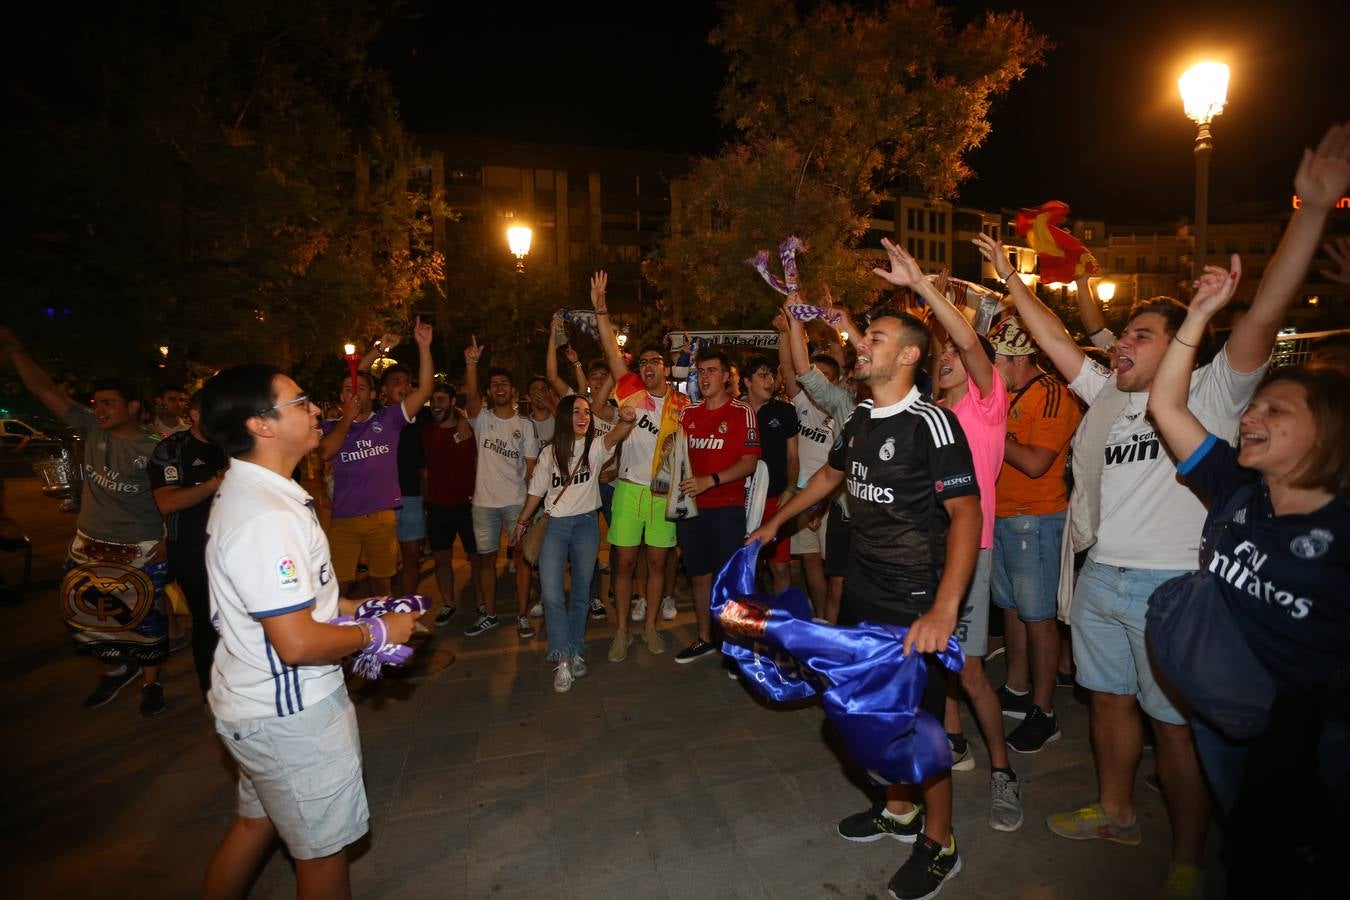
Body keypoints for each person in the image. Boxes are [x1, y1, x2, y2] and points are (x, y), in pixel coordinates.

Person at [971, 121, 1348, 898]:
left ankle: (1186, 855)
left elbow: (1264, 317)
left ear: (1180, 344)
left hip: (1173, 590)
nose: (1122, 346)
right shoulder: (1105, 394)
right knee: (1107, 705)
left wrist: (1309, 212)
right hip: (1103, 577)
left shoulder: (1212, 392)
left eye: (1140, 335)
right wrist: (1013, 279)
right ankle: (1115, 810)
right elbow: (1054, 338)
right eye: (1126, 335)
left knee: (1176, 727)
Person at [749, 308, 980, 900]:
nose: (861, 346)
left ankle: (940, 842)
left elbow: (966, 513)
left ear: (908, 356)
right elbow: (829, 478)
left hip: (916, 599)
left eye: (875, 338)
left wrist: (945, 608)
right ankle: (897, 810)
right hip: (865, 590)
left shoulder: (934, 424)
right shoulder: (859, 419)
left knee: (916, 722)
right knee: (863, 710)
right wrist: (772, 524)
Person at [1146, 256, 1349, 894]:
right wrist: (1200, 316)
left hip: (1319, 744)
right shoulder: (1234, 488)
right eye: (1252, 406)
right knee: (1253, 853)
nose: (1251, 418)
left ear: (1330, 434)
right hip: (1225, 722)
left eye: (1277, 409)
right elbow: (1166, 403)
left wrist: (1315, 207)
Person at [198, 364, 416, 900]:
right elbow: (296, 642)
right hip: (289, 718)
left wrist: (356, 607)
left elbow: (298, 607)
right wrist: (377, 634)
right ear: (261, 425)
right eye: (300, 402)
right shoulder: (266, 516)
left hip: (255, 706)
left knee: (255, 826)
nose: (318, 410)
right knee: (321, 858)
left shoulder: (267, 496)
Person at [874, 241, 1023, 833]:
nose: (946, 360)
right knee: (923, 667)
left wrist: (923, 288)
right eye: (939, 357)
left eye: (957, 356)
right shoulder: (927, 414)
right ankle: (942, 751)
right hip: (920, 555)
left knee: (967, 671)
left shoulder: (988, 406)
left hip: (972, 551)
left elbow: (963, 339)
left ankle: (1003, 771)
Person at [0, 327, 171, 715]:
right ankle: (115, 669)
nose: (101, 410)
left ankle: (151, 682)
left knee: (144, 620)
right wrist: (16, 349)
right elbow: (47, 392)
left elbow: (173, 501)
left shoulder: (157, 449)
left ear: (133, 407)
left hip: (140, 550)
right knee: (82, 617)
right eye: (97, 403)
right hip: (88, 545)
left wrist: (168, 539)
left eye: (110, 403)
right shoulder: (92, 427)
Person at [986, 316, 1082, 751]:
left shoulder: (1051, 395)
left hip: (1037, 518)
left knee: (1039, 616)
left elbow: (1036, 462)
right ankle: (1018, 688)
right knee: (1011, 608)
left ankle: (1044, 710)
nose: (991, 368)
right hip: (1004, 515)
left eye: (998, 360)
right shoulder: (1008, 393)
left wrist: (988, 431)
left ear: (1020, 358)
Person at [587, 271, 689, 660]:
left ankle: (649, 628)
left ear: (665, 368)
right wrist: (600, 309)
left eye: (655, 362)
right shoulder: (629, 391)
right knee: (625, 562)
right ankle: (622, 631)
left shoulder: (680, 407)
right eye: (642, 362)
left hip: (662, 494)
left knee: (658, 562)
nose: (648, 367)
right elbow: (612, 351)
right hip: (628, 489)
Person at [510, 396, 637, 691]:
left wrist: (627, 418)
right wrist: (521, 522)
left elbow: (617, 434)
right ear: (565, 417)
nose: (583, 417)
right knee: (552, 594)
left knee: (581, 593)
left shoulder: (593, 447)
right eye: (576, 412)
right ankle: (562, 656)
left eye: (587, 412)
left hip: (586, 527)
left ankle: (575, 650)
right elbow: (536, 492)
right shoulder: (549, 454)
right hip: (555, 527)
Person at [318, 319, 434, 600]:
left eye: (358, 388)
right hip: (344, 519)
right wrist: (347, 417)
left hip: (382, 519)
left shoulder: (389, 419)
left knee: (382, 586)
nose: (352, 393)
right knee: (339, 588)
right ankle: (341, 639)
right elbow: (325, 453)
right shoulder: (332, 426)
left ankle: (381, 635)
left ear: (372, 394)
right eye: (347, 390)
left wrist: (423, 347)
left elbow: (424, 391)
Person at [674, 348, 761, 663]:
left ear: (727, 376)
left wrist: (712, 480)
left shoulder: (742, 411)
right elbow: (677, 459)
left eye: (712, 370)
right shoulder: (687, 413)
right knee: (698, 575)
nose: (705, 377)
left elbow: (749, 462)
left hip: (726, 507)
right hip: (692, 510)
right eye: (701, 371)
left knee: (728, 579)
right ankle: (704, 638)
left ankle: (736, 646)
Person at [782, 306, 859, 624]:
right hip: (840, 508)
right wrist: (793, 320)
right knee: (836, 585)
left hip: (883, 524)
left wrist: (849, 326)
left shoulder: (907, 410)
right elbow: (800, 371)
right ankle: (828, 639)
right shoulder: (842, 403)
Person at [148, 390, 228, 698]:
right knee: (208, 622)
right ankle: (212, 692)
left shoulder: (235, 443)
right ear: (193, 414)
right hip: (194, 550)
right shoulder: (172, 449)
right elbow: (167, 502)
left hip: (238, 546)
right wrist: (215, 482)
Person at [462, 338, 540, 638]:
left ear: (513, 391)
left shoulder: (525, 425)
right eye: (494, 384)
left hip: (516, 503)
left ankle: (521, 615)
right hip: (483, 503)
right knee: (486, 560)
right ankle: (490, 614)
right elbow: (470, 398)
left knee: (522, 560)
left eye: (504, 383)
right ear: (489, 391)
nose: (499, 388)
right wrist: (471, 365)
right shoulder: (481, 420)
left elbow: (531, 470)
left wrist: (531, 508)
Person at [773, 312, 836, 617]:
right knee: (810, 561)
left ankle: (828, 618)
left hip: (831, 500)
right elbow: (787, 369)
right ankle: (817, 620)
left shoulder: (842, 413)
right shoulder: (802, 404)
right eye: (813, 375)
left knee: (830, 567)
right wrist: (786, 334)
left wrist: (822, 504)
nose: (816, 381)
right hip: (801, 496)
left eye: (824, 377)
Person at [422, 383, 483, 626]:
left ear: (452, 402)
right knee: (441, 559)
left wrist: (461, 418)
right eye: (433, 401)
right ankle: (448, 603)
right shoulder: (425, 431)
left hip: (469, 505)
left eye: (440, 400)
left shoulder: (470, 430)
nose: (436, 406)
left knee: (476, 558)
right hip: (437, 506)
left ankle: (481, 601)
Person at [372, 363, 432, 600]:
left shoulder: (421, 415)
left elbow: (447, 411)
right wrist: (378, 351)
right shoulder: (375, 414)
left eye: (407, 382)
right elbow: (359, 384)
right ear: (383, 390)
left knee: (411, 556)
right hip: (380, 498)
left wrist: (459, 421)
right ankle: (383, 608)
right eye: (397, 382)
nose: (404, 387)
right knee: (382, 560)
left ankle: (406, 606)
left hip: (411, 496)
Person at [742, 353, 799, 595]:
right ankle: (748, 621)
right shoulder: (735, 411)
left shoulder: (785, 411)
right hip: (741, 502)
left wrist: (790, 489)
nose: (770, 382)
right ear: (747, 381)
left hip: (776, 500)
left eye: (772, 376)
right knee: (748, 566)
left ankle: (779, 622)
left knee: (780, 568)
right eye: (762, 376)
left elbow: (793, 457)